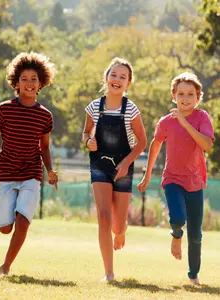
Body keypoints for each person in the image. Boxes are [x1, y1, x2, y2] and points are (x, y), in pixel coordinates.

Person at [0, 52, 58, 276]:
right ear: (16, 82)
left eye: (34, 79)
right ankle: (13, 214)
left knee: (23, 221)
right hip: (6, 173)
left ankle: (6, 266)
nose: (29, 83)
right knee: (5, 228)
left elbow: (44, 147)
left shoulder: (45, 116)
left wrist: (50, 171)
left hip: (31, 174)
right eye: (24, 79)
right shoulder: (5, 109)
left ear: (41, 83)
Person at [138, 72, 214, 286]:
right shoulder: (165, 122)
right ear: (173, 95)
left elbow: (207, 145)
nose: (185, 98)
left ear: (198, 97)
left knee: (196, 234)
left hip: (195, 182)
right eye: (181, 93)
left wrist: (184, 122)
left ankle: (193, 275)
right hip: (172, 179)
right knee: (179, 218)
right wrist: (147, 174)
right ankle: (176, 234)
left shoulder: (202, 118)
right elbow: (155, 145)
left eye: (191, 94)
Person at [82, 57, 147, 282]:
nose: (117, 80)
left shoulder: (131, 109)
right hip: (99, 165)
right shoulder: (93, 107)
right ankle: (109, 272)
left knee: (117, 225)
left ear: (128, 83)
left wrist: (126, 163)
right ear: (106, 78)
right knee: (103, 216)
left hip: (123, 165)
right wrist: (88, 140)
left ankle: (121, 230)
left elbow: (142, 142)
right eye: (114, 75)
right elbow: (86, 133)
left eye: (123, 77)